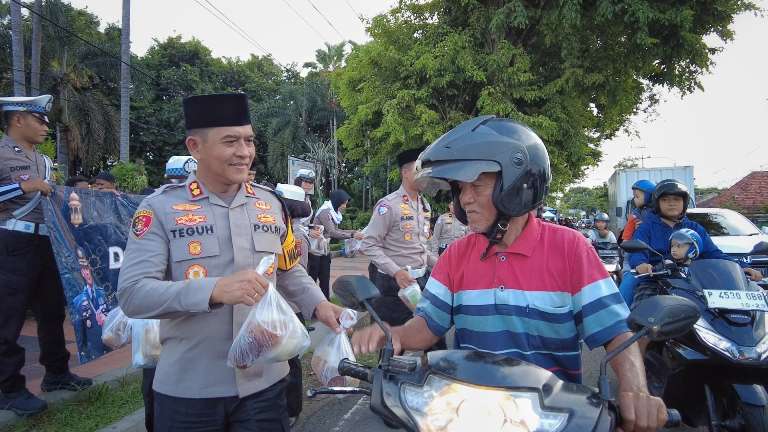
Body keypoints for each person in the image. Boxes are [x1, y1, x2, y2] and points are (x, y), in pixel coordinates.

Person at [352, 115, 669, 432]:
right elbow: (426, 328)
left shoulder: (571, 249)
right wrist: (394, 334)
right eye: (461, 189)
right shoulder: (456, 257)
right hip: (471, 417)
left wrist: (635, 391)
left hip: (553, 420)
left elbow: (616, 333)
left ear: (518, 186)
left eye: (476, 185)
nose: (464, 199)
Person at [117, 93, 343, 431]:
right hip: (190, 391)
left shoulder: (269, 203)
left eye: (249, 140)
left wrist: (320, 305)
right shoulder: (159, 210)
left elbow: (288, 269)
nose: (244, 152)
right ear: (195, 146)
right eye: (231, 141)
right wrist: (214, 290)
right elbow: (133, 294)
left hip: (265, 384)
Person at [0, 95, 93, 417]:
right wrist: (24, 188)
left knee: (52, 311)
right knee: (8, 317)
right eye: (39, 120)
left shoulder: (43, 161)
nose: (44, 127)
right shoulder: (0, 152)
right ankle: (9, 389)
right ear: (17, 119)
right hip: (12, 239)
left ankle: (56, 373)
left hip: (45, 241)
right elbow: (28, 191)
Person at [629, 179, 763, 300]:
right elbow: (637, 252)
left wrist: (742, 267)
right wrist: (641, 264)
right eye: (665, 200)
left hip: (695, 283)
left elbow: (714, 253)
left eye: (676, 199)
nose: (671, 203)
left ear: (684, 202)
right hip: (656, 282)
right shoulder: (646, 227)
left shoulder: (694, 228)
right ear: (657, 203)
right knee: (642, 311)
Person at [360, 148, 439, 327]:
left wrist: (441, 264)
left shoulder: (424, 205)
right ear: (405, 172)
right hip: (393, 284)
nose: (424, 176)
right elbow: (369, 244)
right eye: (419, 170)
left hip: (420, 281)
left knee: (429, 333)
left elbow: (420, 248)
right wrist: (396, 272)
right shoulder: (389, 205)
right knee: (393, 341)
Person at [273, 183, 312, 426]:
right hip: (286, 306)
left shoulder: (293, 235)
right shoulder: (292, 231)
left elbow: (296, 272)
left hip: (287, 306)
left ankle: (291, 408)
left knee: (289, 361)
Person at [309, 189, 363, 299]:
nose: (345, 206)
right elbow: (333, 232)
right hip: (314, 250)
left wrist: (353, 232)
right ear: (337, 201)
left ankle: (326, 302)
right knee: (312, 279)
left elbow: (337, 230)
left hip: (324, 249)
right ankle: (311, 304)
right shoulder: (325, 212)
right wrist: (352, 235)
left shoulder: (333, 213)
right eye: (343, 203)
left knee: (325, 278)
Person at [618, 180, 656, 305]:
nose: (634, 200)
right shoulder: (634, 216)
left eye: (637, 196)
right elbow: (626, 240)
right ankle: (621, 313)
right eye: (634, 196)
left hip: (656, 259)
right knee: (628, 283)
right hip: (635, 256)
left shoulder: (659, 216)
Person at [71, 248, 109, 362]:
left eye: (87, 269)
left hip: (108, 340)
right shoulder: (78, 300)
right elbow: (79, 328)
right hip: (94, 346)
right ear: (81, 274)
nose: (87, 273)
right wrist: (83, 351)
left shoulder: (101, 292)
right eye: (84, 271)